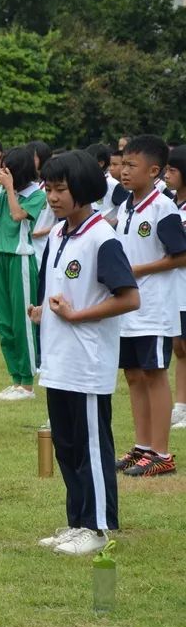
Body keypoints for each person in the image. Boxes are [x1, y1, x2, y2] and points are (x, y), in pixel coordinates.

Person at [28, 151, 139, 555]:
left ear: (83, 190)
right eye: (49, 189)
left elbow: (129, 298)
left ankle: (97, 527)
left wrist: (78, 315)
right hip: (58, 360)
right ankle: (76, 521)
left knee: (92, 444)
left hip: (88, 362)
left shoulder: (101, 237)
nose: (53, 197)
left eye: (60, 189)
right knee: (67, 445)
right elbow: (61, 291)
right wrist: (43, 312)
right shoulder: (57, 234)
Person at [114, 134, 186, 477]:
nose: (124, 172)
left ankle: (162, 452)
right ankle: (142, 447)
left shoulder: (163, 208)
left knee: (155, 374)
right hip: (129, 308)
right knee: (132, 375)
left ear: (154, 170)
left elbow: (181, 255)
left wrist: (139, 269)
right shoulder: (126, 205)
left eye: (132, 165)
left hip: (154, 308)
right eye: (122, 164)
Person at [0, 147, 45, 401]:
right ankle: (15, 379)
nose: (4, 174)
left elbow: (17, 216)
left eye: (7, 169)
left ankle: (27, 383)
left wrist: (10, 188)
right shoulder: (5, 193)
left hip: (21, 260)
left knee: (22, 321)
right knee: (4, 322)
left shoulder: (36, 195)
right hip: (0, 258)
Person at [166, 148, 186, 429]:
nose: (167, 175)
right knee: (179, 347)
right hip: (174, 287)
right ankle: (180, 405)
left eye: (172, 170)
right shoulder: (168, 203)